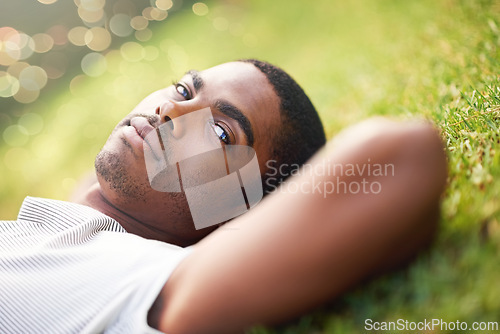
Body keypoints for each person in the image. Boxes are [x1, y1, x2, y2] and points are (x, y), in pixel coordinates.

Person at [0, 60, 447, 333]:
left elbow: (407, 154)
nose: (170, 111)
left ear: (239, 217)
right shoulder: (67, 235)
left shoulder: (138, 280)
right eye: (184, 90)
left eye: (219, 131)